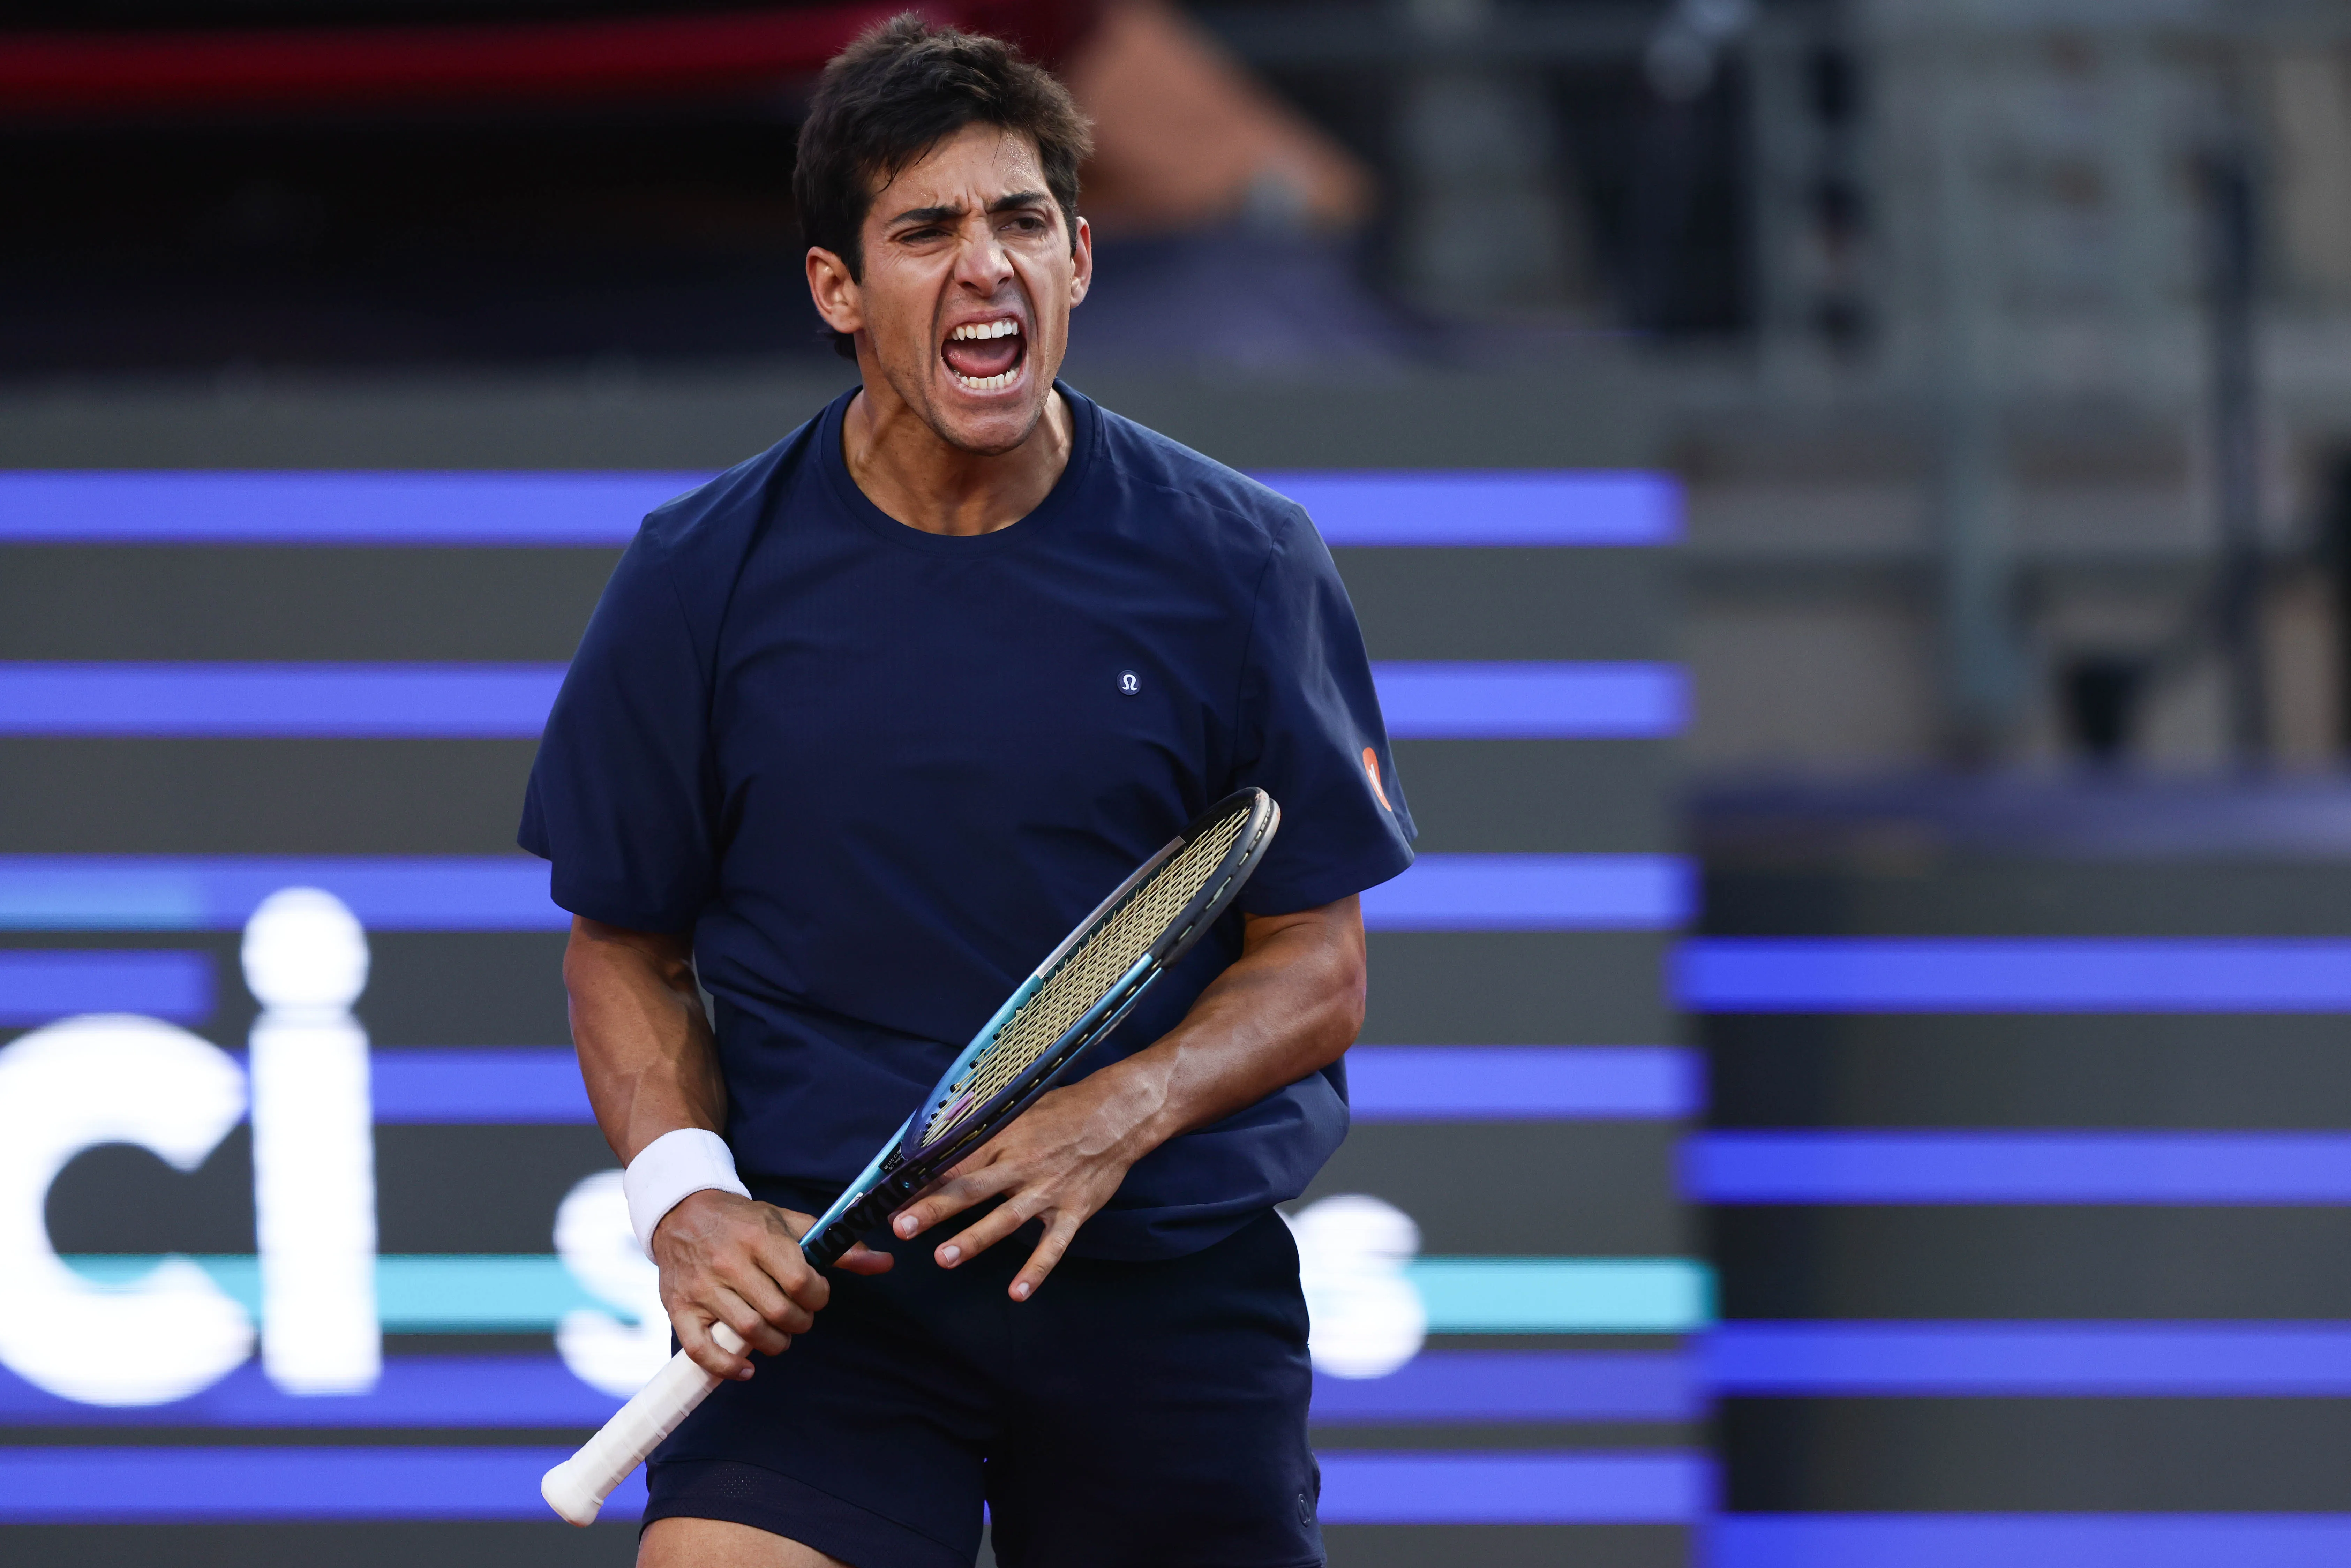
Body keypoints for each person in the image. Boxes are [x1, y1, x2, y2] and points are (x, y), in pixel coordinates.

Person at [521, 16, 1414, 1567]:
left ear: (1078, 257)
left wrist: (1119, 1108)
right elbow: (624, 943)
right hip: (834, 1292)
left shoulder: (1241, 561)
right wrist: (683, 1199)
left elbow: (1315, 961)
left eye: (1018, 221)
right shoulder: (698, 580)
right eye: (924, 229)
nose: (982, 264)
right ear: (837, 290)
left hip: (1158, 1278)